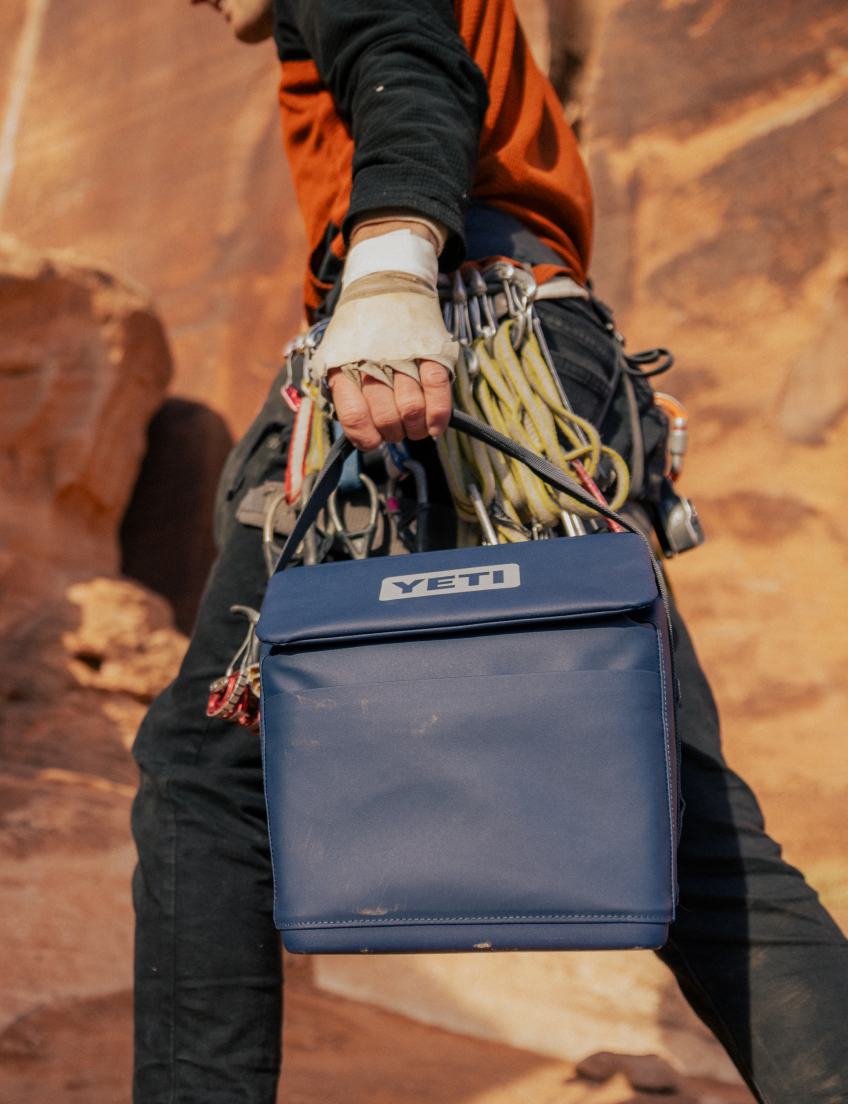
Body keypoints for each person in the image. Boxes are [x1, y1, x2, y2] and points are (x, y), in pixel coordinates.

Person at [132, 2, 848, 1101]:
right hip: (531, 333)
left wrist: (384, 273)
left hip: (431, 342)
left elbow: (405, 65)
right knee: (676, 811)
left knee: (208, 773)